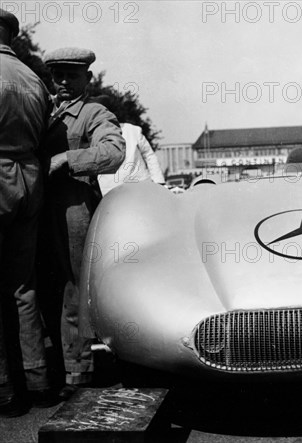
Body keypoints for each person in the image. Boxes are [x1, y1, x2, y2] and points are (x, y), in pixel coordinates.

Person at [37, 47, 125, 400]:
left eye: (72, 76)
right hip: (35, 206)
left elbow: (114, 152)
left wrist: (67, 158)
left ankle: (78, 373)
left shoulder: (94, 113)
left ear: (88, 79)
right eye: (57, 75)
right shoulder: (40, 108)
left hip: (73, 206)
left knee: (74, 289)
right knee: (40, 289)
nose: (63, 83)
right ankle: (47, 368)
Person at [0, 8, 57, 417]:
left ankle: (4, 389)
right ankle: (37, 380)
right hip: (30, 178)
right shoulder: (32, 78)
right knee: (23, 285)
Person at [92, 95, 165, 195]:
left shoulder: (132, 130)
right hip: (110, 191)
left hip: (140, 187)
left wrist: (158, 181)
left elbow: (149, 155)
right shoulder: (92, 137)